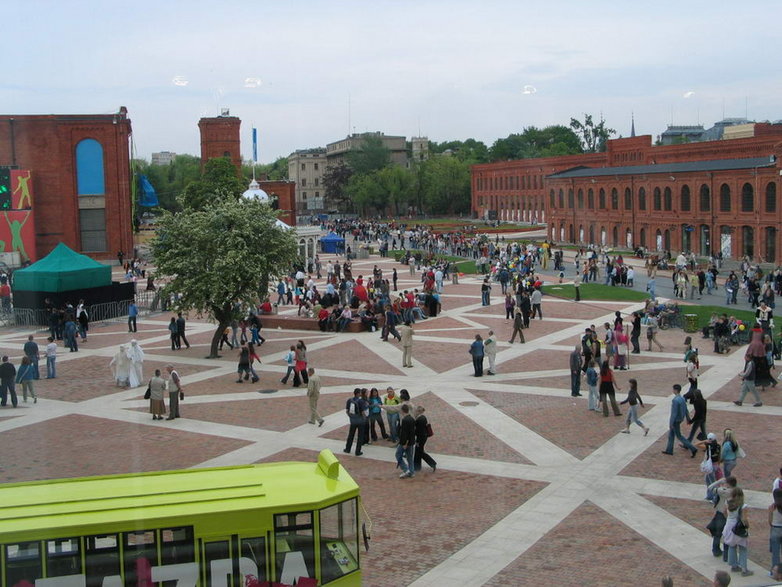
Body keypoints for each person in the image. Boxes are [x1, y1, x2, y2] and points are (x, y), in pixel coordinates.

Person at [722, 487, 752, 576]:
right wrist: (747, 526)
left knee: (732, 546)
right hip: (739, 528)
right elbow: (744, 519)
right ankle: (744, 569)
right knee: (743, 548)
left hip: (729, 526)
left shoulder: (727, 502)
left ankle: (734, 566)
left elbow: (724, 512)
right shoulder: (743, 506)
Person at [662, 384, 698, 457]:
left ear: (675, 390)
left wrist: (671, 423)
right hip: (680, 419)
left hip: (675, 420)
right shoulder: (682, 399)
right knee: (671, 435)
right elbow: (686, 410)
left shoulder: (675, 400)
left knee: (679, 436)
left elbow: (674, 413)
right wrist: (688, 418)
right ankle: (669, 450)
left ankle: (692, 448)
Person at [695, 432, 722, 503]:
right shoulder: (718, 446)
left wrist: (704, 441)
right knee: (707, 480)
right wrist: (718, 464)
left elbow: (696, 444)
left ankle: (716, 498)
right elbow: (719, 456)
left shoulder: (708, 446)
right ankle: (709, 495)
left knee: (712, 482)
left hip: (710, 467)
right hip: (716, 465)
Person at [344, 389, 368, 456]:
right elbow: (363, 412)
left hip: (353, 421)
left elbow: (347, 411)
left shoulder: (350, 400)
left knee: (351, 435)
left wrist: (351, 417)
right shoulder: (361, 401)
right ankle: (358, 451)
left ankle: (347, 449)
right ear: (358, 393)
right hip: (360, 421)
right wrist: (364, 418)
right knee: (360, 436)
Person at [414, 405, 437, 472]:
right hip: (423, 437)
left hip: (421, 438)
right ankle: (417, 466)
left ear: (418, 411)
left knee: (419, 452)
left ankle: (432, 463)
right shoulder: (423, 417)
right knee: (418, 451)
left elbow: (418, 430)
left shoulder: (419, 419)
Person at [397, 403, 416, 478]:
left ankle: (406, 470)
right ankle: (411, 472)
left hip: (405, 442)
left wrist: (405, 443)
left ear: (402, 411)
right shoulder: (412, 418)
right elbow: (412, 432)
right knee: (410, 457)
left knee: (398, 455)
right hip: (411, 442)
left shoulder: (405, 420)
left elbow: (405, 433)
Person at [769, 488, 782, 577]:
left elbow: (770, 521)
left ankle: (774, 572)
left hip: (775, 529)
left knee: (775, 554)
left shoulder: (772, 507)